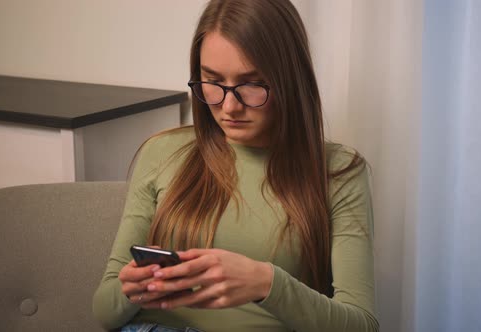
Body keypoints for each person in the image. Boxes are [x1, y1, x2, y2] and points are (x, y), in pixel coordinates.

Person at [93, 0, 378, 331]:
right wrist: (132, 289)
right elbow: (104, 311)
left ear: (289, 79)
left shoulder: (339, 172)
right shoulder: (163, 152)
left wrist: (267, 283)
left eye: (251, 84)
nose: (228, 106)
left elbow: (362, 326)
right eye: (212, 81)